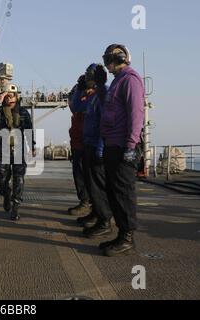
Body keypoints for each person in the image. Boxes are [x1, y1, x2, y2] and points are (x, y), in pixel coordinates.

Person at [99, 44, 145, 257]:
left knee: (124, 193)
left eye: (108, 58)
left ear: (118, 58)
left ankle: (127, 238)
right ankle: (120, 234)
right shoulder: (117, 80)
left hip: (122, 147)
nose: (106, 63)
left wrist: (130, 145)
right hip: (112, 145)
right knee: (114, 191)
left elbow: (136, 114)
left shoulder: (130, 80)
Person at [70, 64, 113, 239]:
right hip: (87, 144)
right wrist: (80, 91)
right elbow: (77, 108)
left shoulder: (103, 94)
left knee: (99, 186)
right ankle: (96, 214)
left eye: (90, 77)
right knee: (91, 184)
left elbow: (106, 122)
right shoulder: (91, 97)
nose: (87, 79)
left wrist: (102, 149)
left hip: (97, 145)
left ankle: (104, 221)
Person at [0, 84, 35, 221]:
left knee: (19, 179)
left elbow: (29, 130)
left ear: (16, 96)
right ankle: (6, 194)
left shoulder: (23, 112)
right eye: (6, 96)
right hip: (3, 149)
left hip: (19, 150)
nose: (9, 98)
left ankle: (15, 207)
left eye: (11, 96)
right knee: (1, 178)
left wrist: (32, 146)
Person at [68, 77, 92, 217]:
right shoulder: (77, 109)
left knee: (91, 178)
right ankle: (85, 202)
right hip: (78, 146)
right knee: (79, 176)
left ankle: (94, 207)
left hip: (88, 145)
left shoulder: (89, 101)